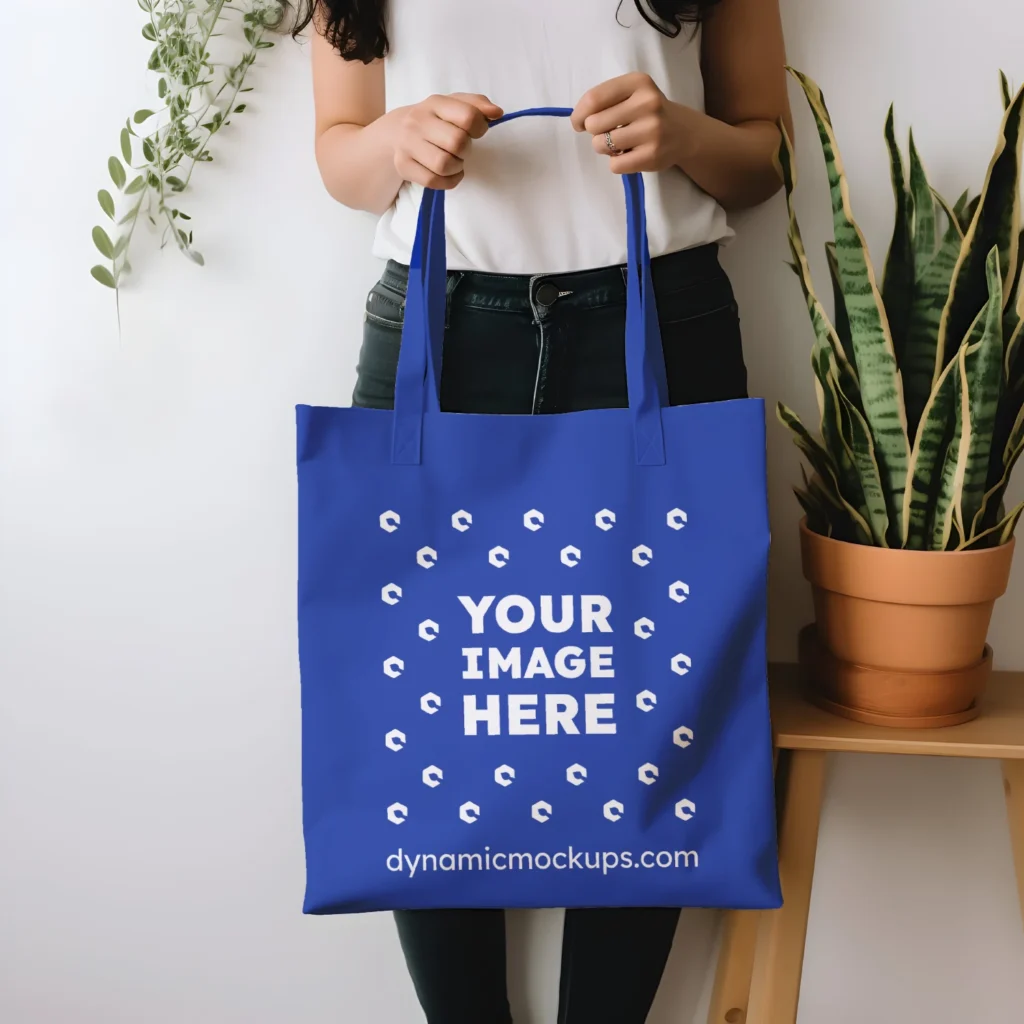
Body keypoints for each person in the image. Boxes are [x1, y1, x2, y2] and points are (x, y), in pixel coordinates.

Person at [297, 1, 791, 1021]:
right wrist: (396, 140)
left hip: (662, 312)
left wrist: (683, 134)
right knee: (427, 703)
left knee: (651, 698)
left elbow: (761, 151)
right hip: (442, 322)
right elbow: (339, 156)